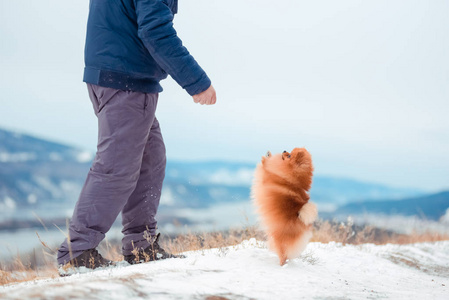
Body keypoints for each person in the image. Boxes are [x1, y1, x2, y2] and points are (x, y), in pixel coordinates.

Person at [57, 0, 216, 270]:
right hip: (125, 81)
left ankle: (141, 245)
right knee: (116, 168)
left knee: (150, 160)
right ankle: (77, 253)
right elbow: (156, 31)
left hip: (116, 74)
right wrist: (197, 82)